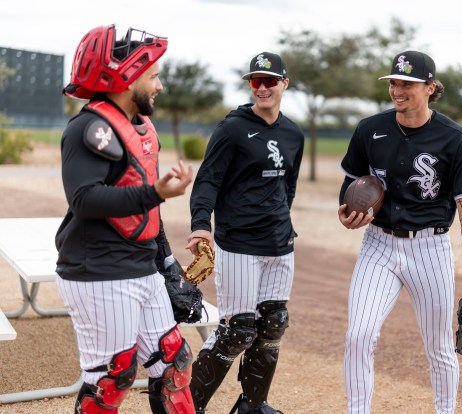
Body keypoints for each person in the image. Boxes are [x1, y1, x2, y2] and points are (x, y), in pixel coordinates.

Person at [337, 50, 462, 414]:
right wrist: (345, 213)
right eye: (394, 83)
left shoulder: (454, 138)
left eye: (407, 83)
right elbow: (349, 185)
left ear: (430, 88)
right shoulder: (369, 129)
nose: (398, 90)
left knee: (438, 346)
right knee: (358, 335)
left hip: (431, 248)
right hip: (378, 245)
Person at [55, 24, 195, 413]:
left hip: (139, 265)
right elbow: (84, 198)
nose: (160, 86)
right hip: (98, 270)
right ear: (126, 77)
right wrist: (156, 193)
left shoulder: (141, 128)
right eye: (153, 76)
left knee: (173, 362)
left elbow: (145, 206)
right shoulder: (88, 127)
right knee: (111, 379)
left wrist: (165, 260)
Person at [186, 52, 304, 414]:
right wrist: (201, 225)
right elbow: (208, 179)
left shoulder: (294, 134)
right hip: (239, 243)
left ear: (285, 83)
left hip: (280, 244)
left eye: (270, 81)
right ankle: (188, 406)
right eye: (256, 81)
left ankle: (253, 405)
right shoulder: (233, 128)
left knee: (272, 324)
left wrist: (279, 218)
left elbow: (289, 188)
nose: (263, 87)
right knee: (238, 329)